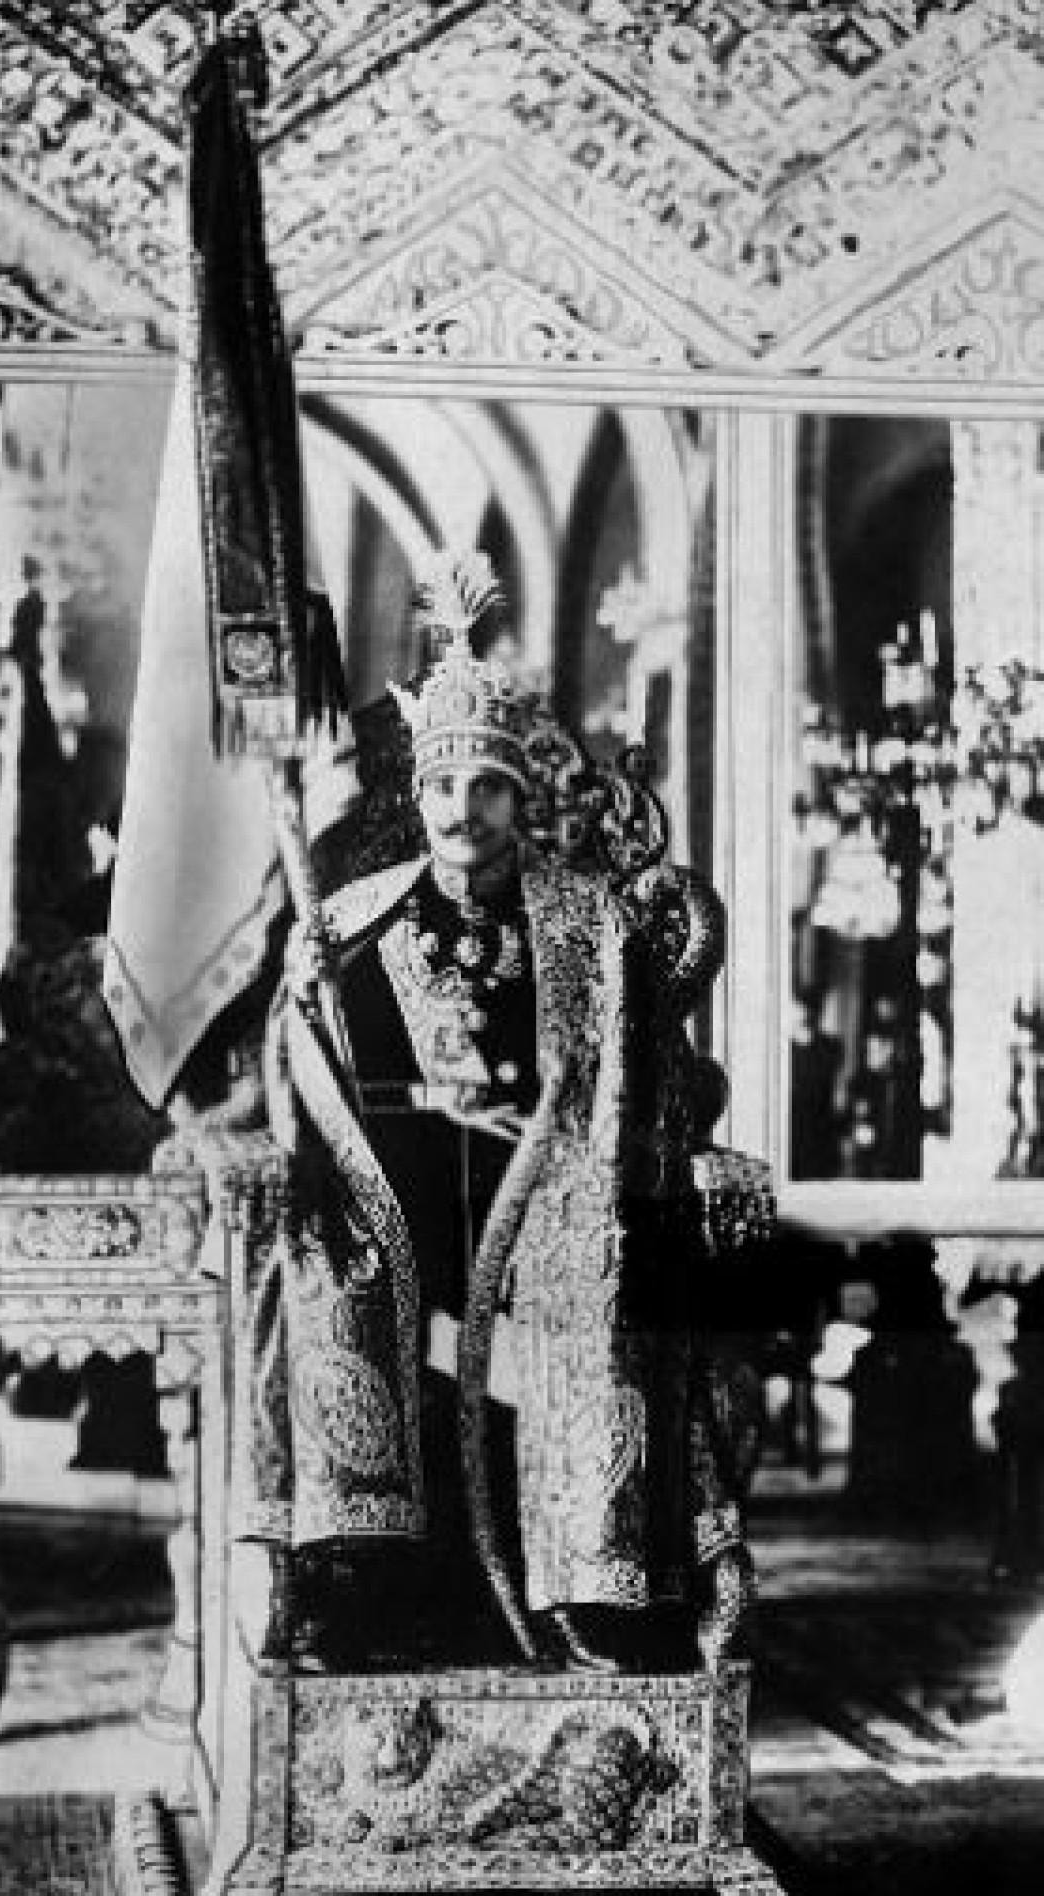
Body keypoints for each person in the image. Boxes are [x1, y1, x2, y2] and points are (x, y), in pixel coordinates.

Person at [231, 556, 762, 1675]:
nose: (460, 810)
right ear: (416, 796)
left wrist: (592, 1166)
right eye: (441, 787)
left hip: (556, 1185)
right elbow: (309, 1096)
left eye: (484, 788)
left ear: (521, 798)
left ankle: (592, 1590)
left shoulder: (592, 920)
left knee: (611, 1279)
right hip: (401, 1195)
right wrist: (304, 1003)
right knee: (330, 1275)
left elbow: (636, 1079)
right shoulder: (352, 923)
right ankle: (360, 1582)